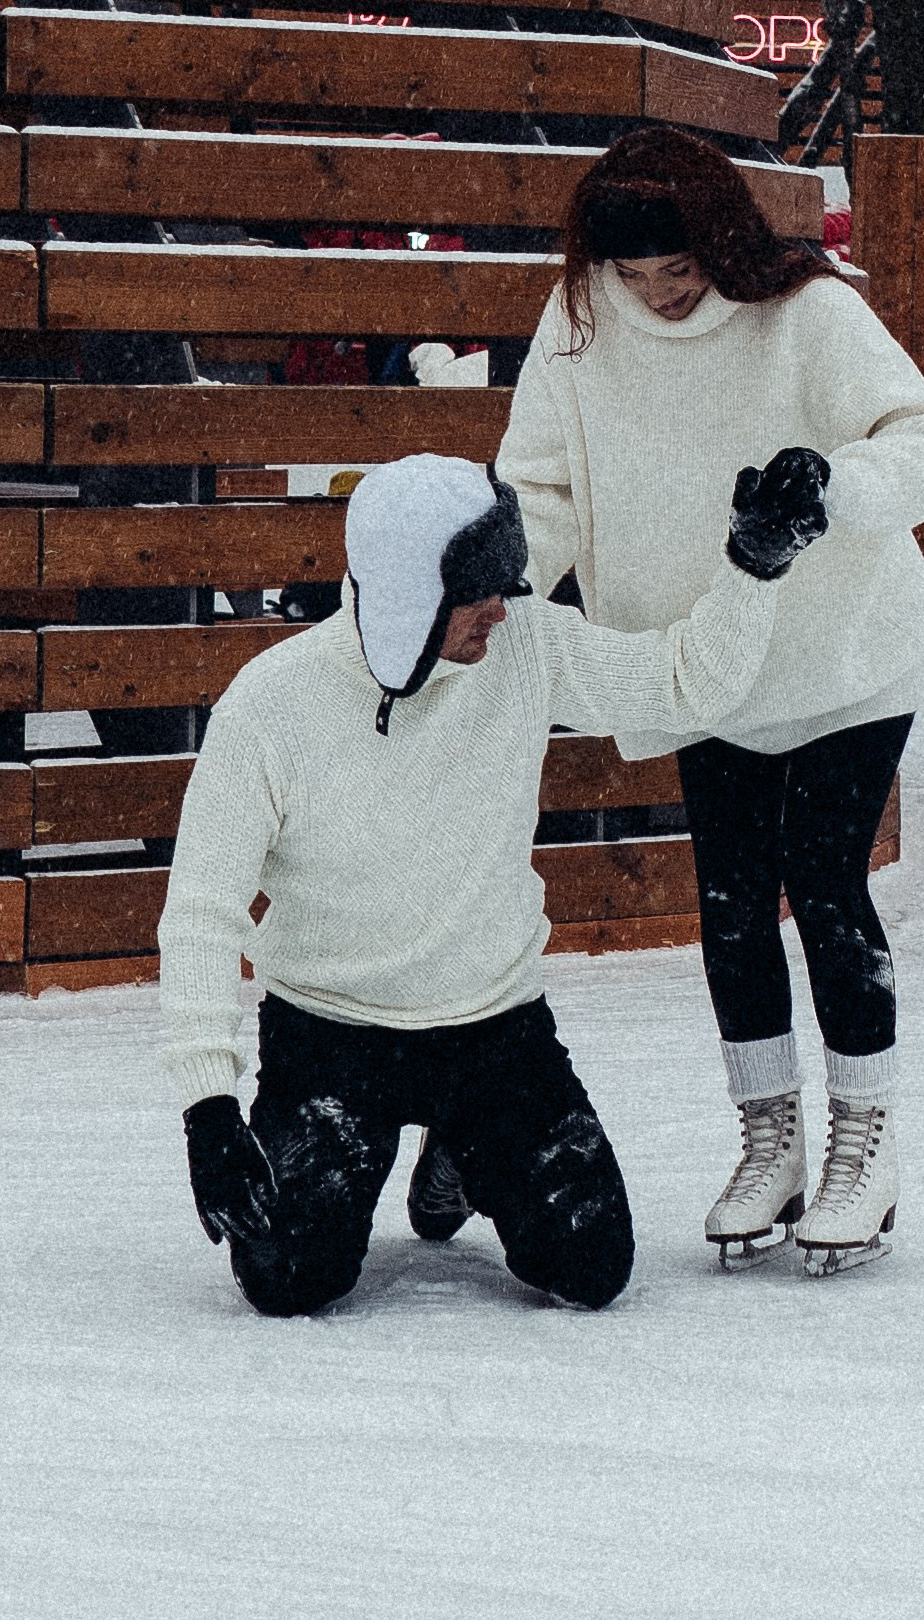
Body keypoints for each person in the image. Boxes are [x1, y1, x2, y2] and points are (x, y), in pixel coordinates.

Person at [158, 444, 831, 1315]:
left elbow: (681, 684)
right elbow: (200, 914)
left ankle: (464, 1143)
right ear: (408, 594)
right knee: (289, 1277)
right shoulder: (270, 706)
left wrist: (753, 567)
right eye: (479, 591)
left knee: (591, 1266)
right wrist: (208, 1108)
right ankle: (413, 1143)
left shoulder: (528, 651)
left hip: (491, 1030)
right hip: (331, 1035)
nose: (503, 612)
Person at [497, 125, 924, 1274]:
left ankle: (867, 1138)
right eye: (636, 274)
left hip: (846, 652)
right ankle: (771, 1135)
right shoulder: (577, 322)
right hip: (702, 655)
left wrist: (835, 485)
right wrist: (496, 580)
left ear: (721, 240)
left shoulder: (806, 310)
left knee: (824, 878)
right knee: (729, 902)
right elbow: (541, 483)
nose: (660, 293)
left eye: (680, 269)